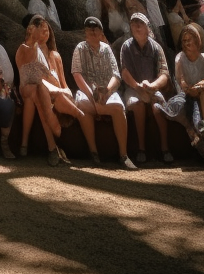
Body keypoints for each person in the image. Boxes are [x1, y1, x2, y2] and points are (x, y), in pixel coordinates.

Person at [16, 15, 84, 164]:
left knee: (44, 93)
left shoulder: (56, 56)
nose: (44, 33)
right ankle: (52, 147)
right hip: (36, 88)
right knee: (39, 92)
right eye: (40, 29)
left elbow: (63, 82)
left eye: (46, 30)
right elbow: (31, 75)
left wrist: (67, 93)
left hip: (54, 93)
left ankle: (32, 145)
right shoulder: (28, 48)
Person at [71, 16, 135, 169]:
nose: (92, 32)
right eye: (89, 29)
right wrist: (92, 95)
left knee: (119, 108)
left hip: (106, 91)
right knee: (82, 105)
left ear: (101, 33)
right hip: (87, 92)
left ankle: (123, 155)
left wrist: (107, 90)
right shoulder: (80, 48)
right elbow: (77, 74)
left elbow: (116, 75)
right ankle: (93, 152)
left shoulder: (107, 49)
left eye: (96, 29)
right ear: (85, 32)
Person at [120, 13, 173, 165]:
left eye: (140, 24)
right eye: (134, 24)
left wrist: (153, 86)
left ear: (147, 27)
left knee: (158, 107)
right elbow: (124, 72)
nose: (136, 27)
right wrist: (137, 87)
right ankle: (141, 148)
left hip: (151, 86)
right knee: (137, 105)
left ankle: (165, 148)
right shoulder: (126, 46)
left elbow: (164, 73)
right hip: (133, 87)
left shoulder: (156, 47)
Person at [172, 24, 204, 165]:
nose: (187, 43)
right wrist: (189, 90)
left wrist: (200, 88)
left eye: (190, 39)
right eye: (184, 40)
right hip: (187, 95)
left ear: (197, 40)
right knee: (186, 105)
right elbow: (179, 82)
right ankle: (200, 145)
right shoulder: (180, 58)